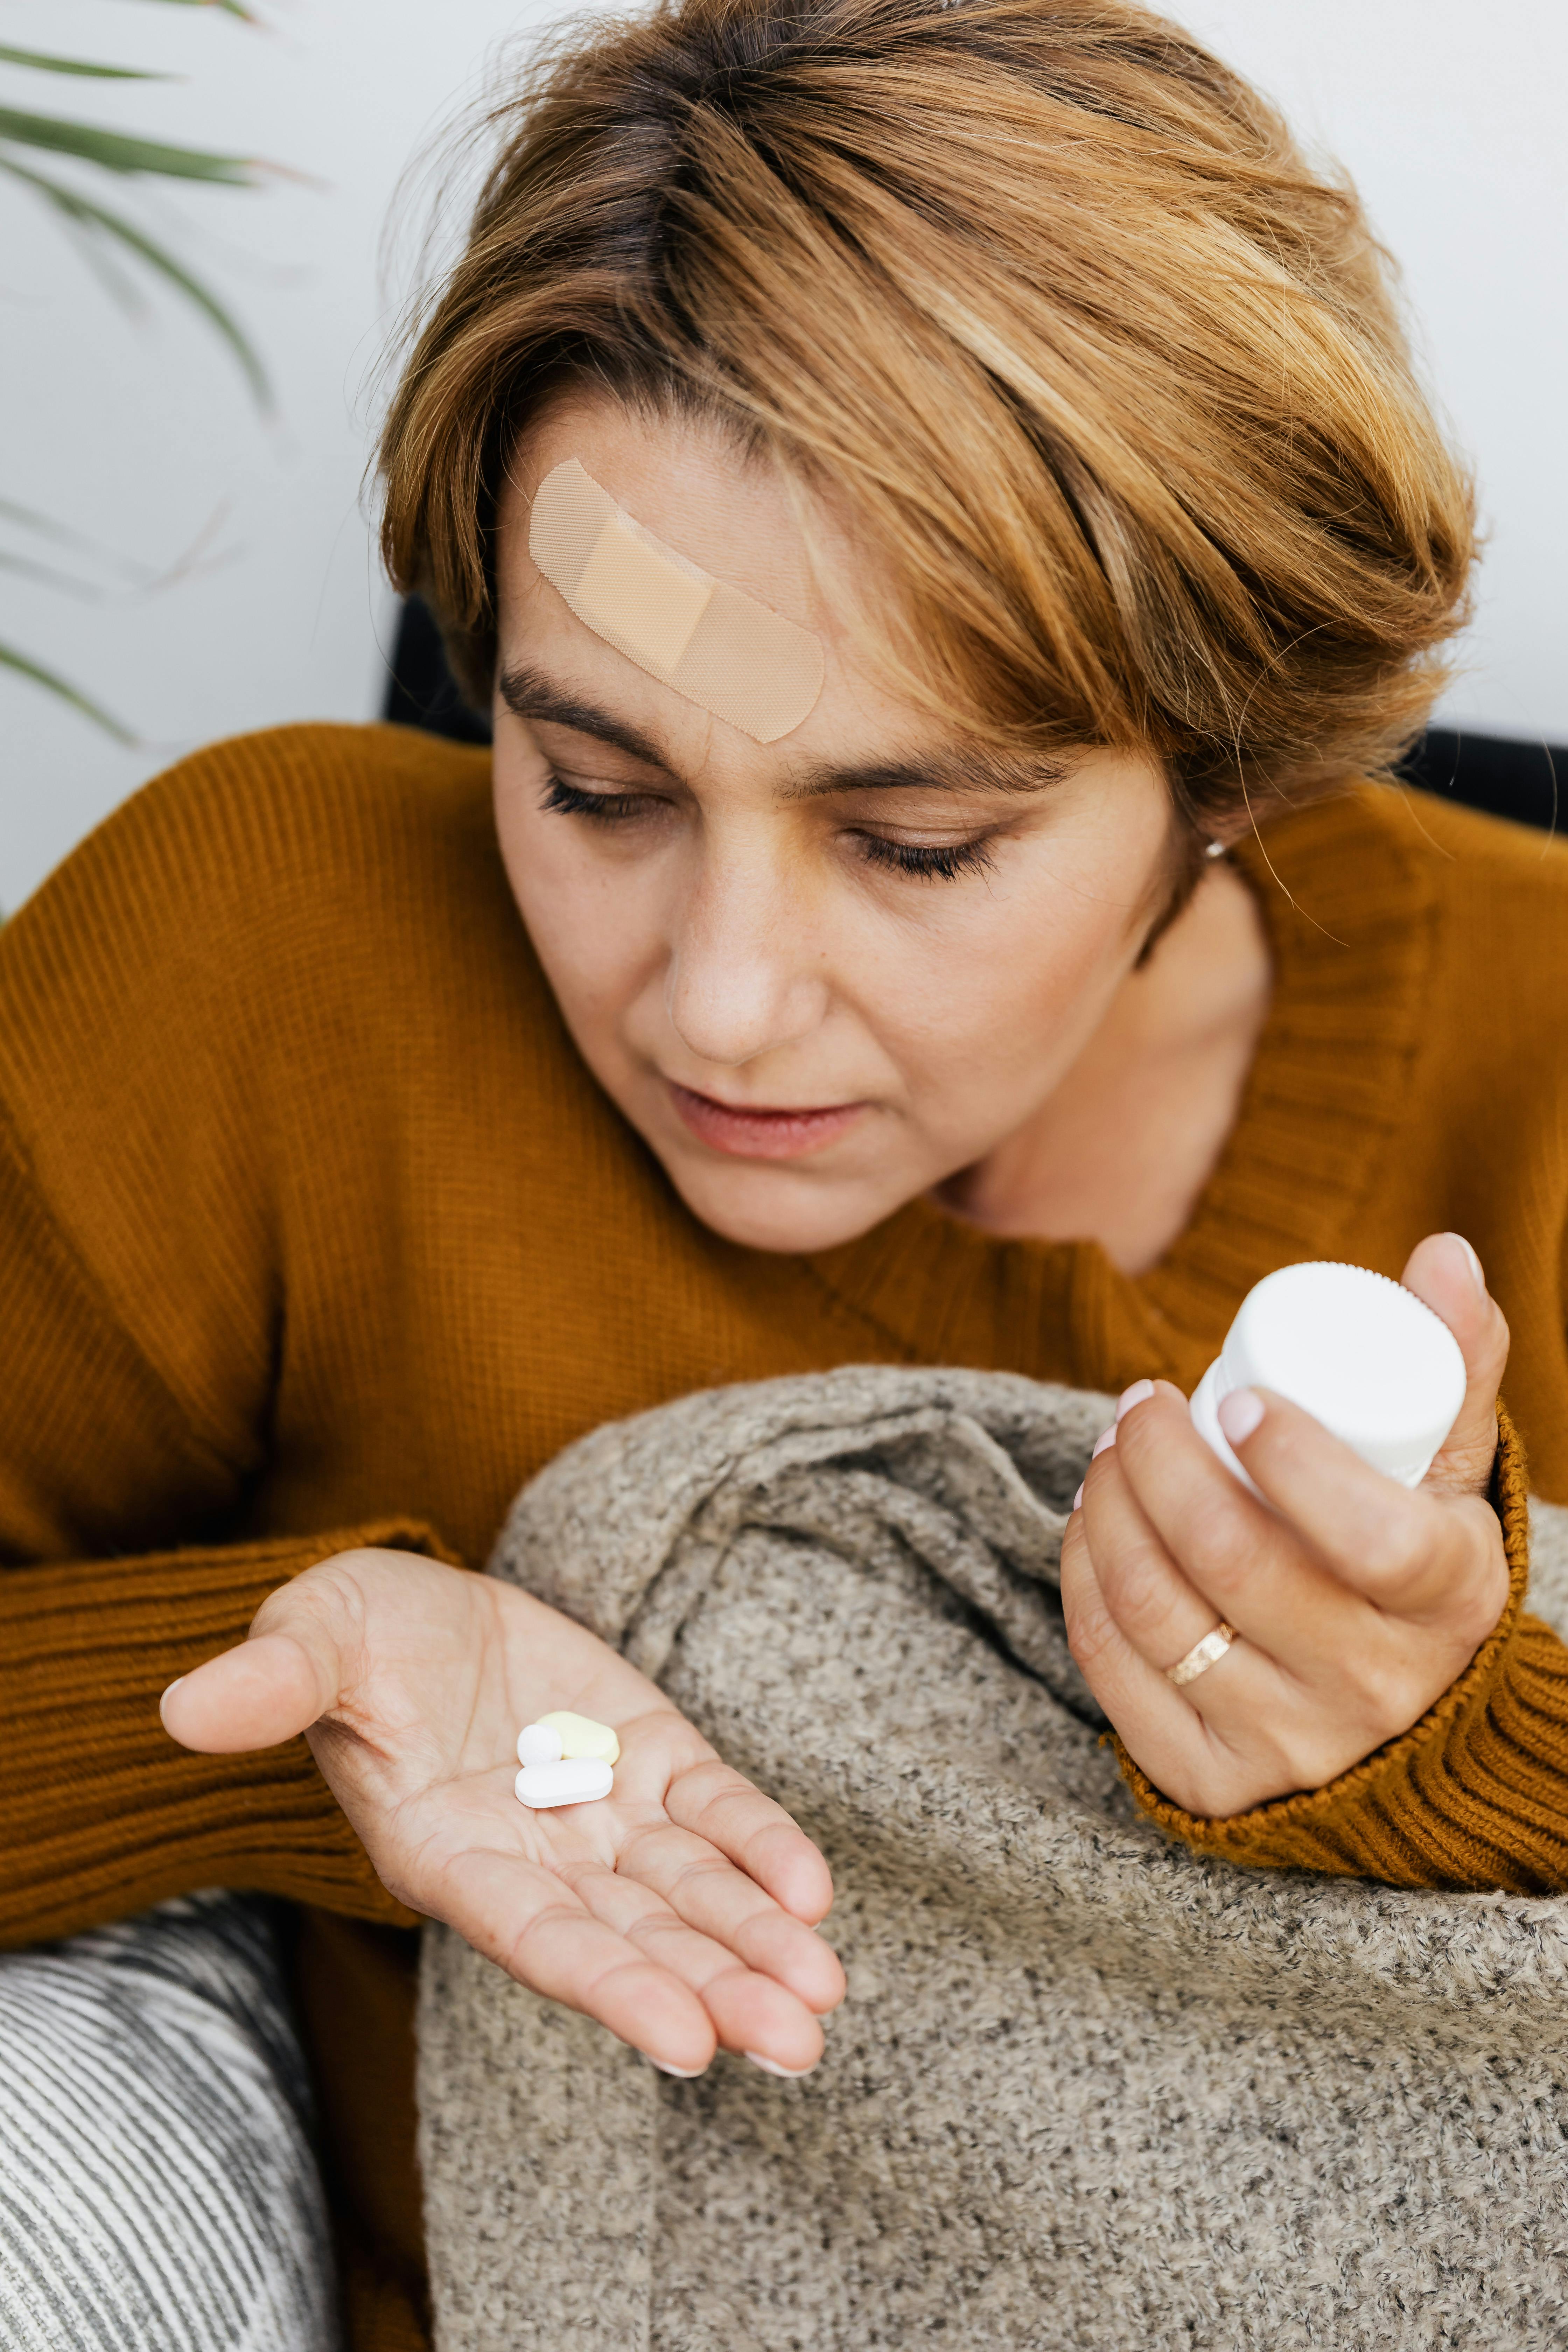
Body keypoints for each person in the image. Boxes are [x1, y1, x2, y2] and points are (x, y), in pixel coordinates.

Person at [4, 0, 1567, 2344]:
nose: (719, 1001)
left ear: (1226, 761)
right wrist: (299, 1705)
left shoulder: (1542, 1061)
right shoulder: (270, 966)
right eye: (598, 788)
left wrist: (1452, 1772)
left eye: (915, 842)